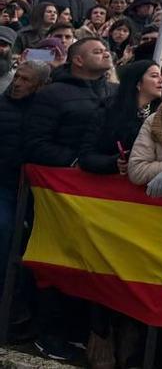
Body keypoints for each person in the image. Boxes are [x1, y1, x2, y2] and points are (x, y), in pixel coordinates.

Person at [24, 38, 116, 167]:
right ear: (78, 60)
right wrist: (75, 161)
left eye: (106, 51)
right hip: (65, 179)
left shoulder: (117, 92)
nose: (106, 54)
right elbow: (36, 142)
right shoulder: (52, 93)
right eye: (97, 52)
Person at [0, 60, 51, 267]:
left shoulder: (46, 113)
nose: (17, 83)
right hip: (4, 185)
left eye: (25, 79)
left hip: (34, 189)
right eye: (17, 77)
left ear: (40, 85)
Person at [79, 60, 162, 175]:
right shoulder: (107, 112)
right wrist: (114, 162)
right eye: (154, 76)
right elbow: (86, 156)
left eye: (161, 76)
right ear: (138, 83)